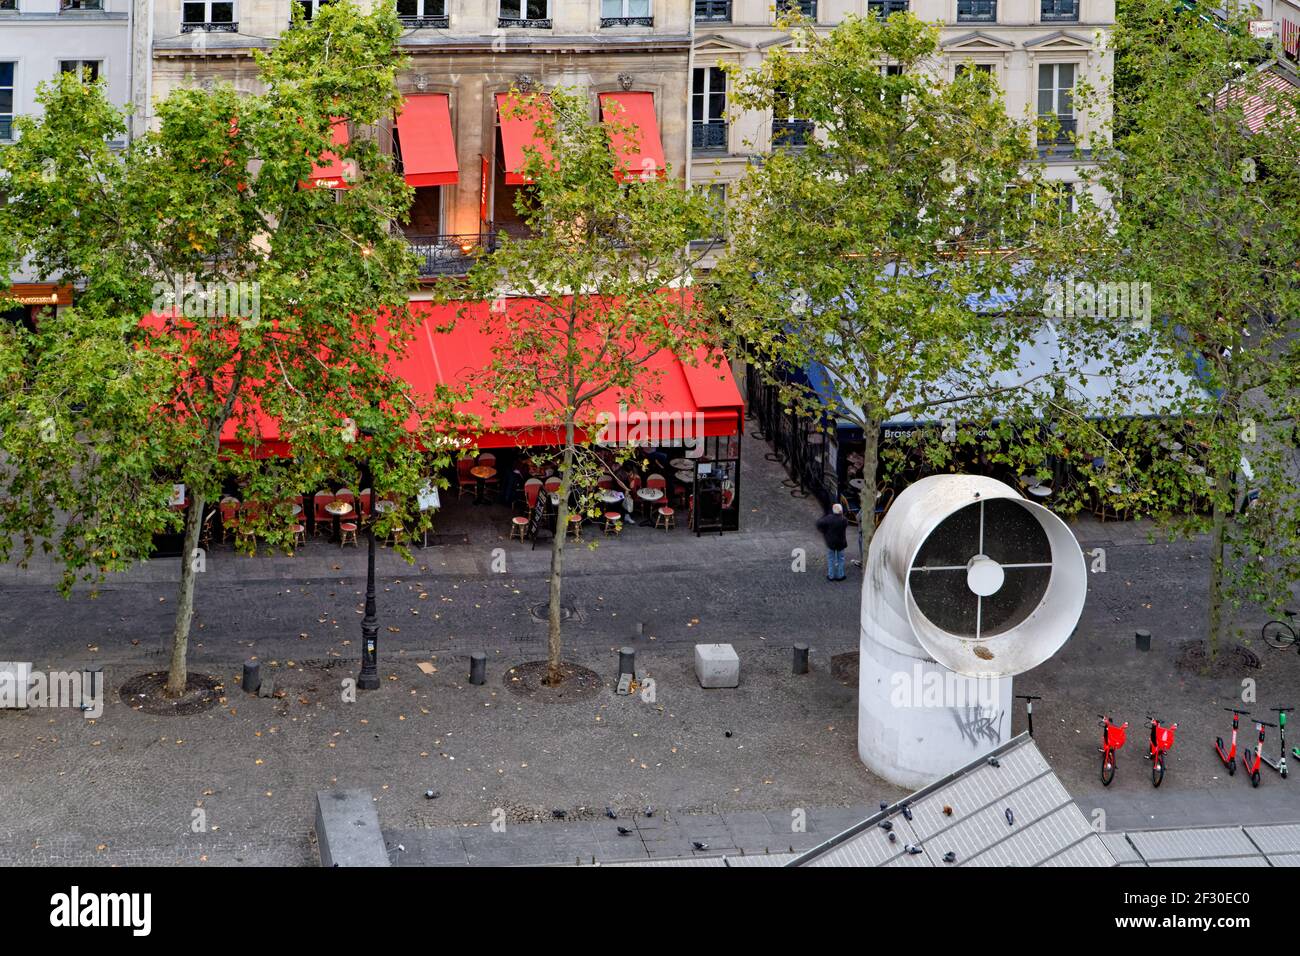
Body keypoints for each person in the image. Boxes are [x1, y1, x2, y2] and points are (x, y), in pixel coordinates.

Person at [816, 503, 850, 582]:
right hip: (841, 543)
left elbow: (819, 524)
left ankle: (831, 575)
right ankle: (840, 575)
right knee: (841, 559)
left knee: (830, 559)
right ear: (841, 511)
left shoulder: (828, 518)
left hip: (831, 543)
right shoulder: (844, 520)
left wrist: (824, 531)